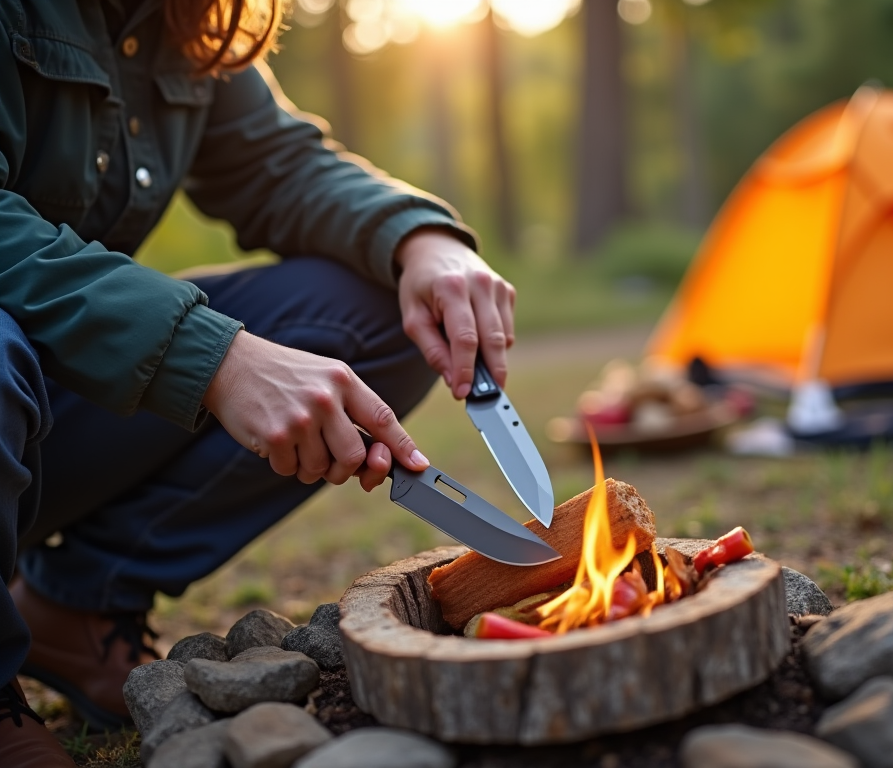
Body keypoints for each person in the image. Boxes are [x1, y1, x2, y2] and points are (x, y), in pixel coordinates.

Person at [0, 1, 517, 763]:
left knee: (380, 309)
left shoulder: (180, 16)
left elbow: (277, 162)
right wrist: (209, 354)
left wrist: (420, 238)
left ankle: (79, 605)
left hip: (50, 412)